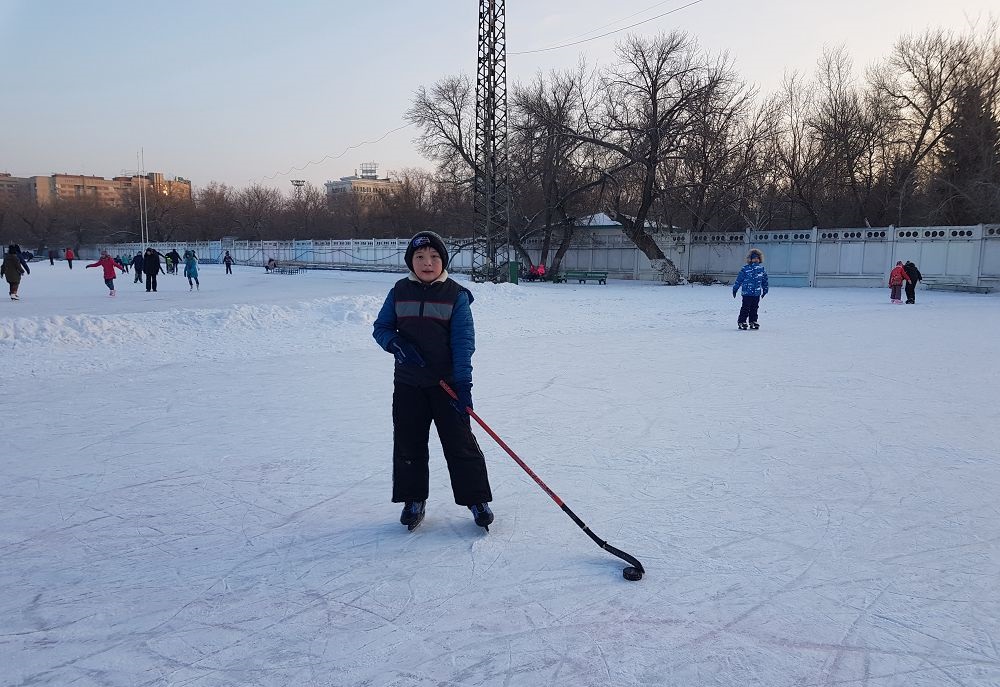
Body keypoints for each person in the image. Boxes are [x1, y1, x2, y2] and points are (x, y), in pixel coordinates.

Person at [372, 231, 494, 531]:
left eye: (434, 257)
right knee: (408, 442)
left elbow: (463, 344)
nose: (427, 263)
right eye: (420, 257)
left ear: (444, 261)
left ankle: (476, 499)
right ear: (410, 262)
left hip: (447, 385)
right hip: (409, 384)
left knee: (460, 443)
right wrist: (397, 345)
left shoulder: (456, 295)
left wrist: (463, 386)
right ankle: (413, 499)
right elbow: (382, 328)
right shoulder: (398, 291)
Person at [732, 248, 769, 330]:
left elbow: (764, 281)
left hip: (756, 293)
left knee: (754, 307)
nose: (756, 259)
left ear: (760, 259)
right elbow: (739, 280)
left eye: (757, 258)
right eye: (754, 258)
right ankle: (742, 321)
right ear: (750, 259)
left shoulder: (761, 270)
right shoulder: (745, 269)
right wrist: (735, 289)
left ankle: (753, 321)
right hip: (747, 292)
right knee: (745, 307)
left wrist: (765, 290)